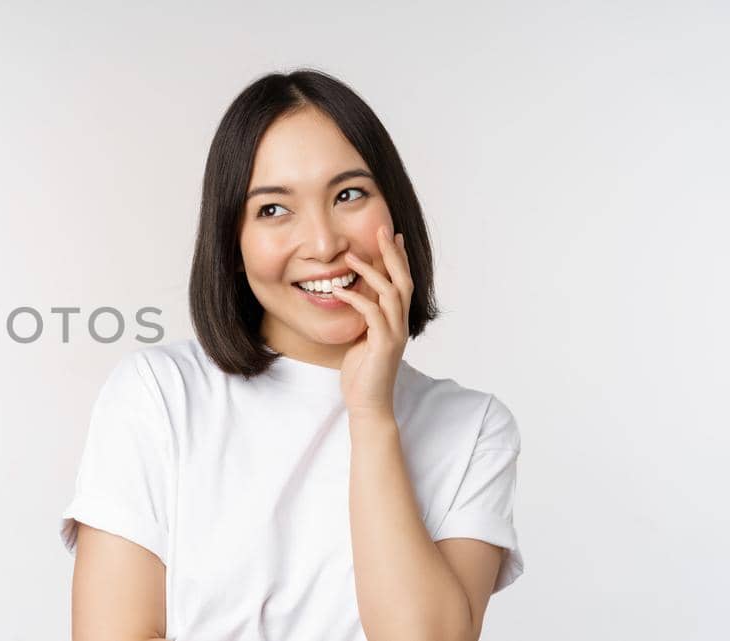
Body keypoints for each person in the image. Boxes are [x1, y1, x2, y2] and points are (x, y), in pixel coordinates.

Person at [58, 69, 524, 641]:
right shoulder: (160, 395)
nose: (325, 244)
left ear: (395, 211)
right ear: (233, 242)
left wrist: (371, 415)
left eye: (349, 194)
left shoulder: (473, 428)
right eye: (274, 210)